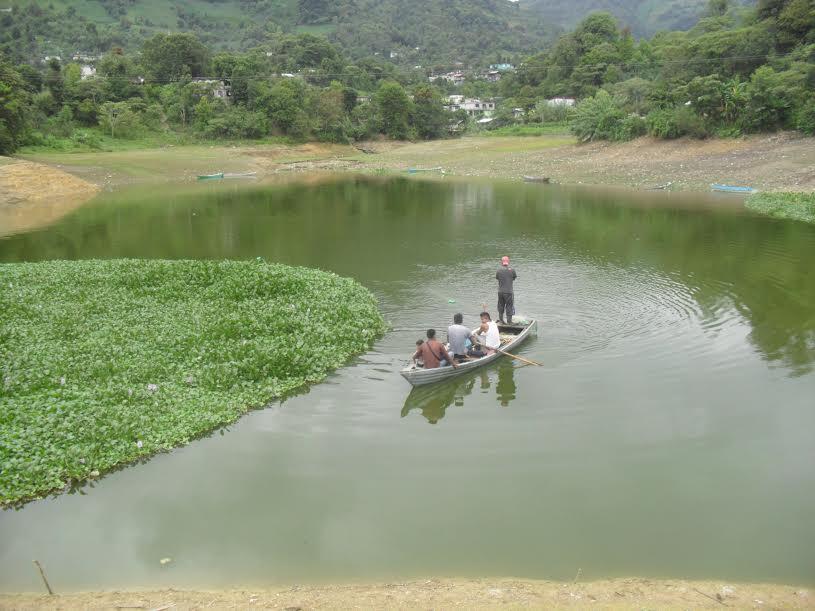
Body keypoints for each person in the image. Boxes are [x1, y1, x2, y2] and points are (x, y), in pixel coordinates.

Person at [496, 255, 517, 324]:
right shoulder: (512, 270)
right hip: (509, 292)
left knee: (501, 306)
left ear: (502, 262)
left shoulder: (498, 270)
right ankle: (509, 321)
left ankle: (501, 320)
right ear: (508, 262)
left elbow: (497, 278)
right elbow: (514, 278)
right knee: (509, 306)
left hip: (500, 292)